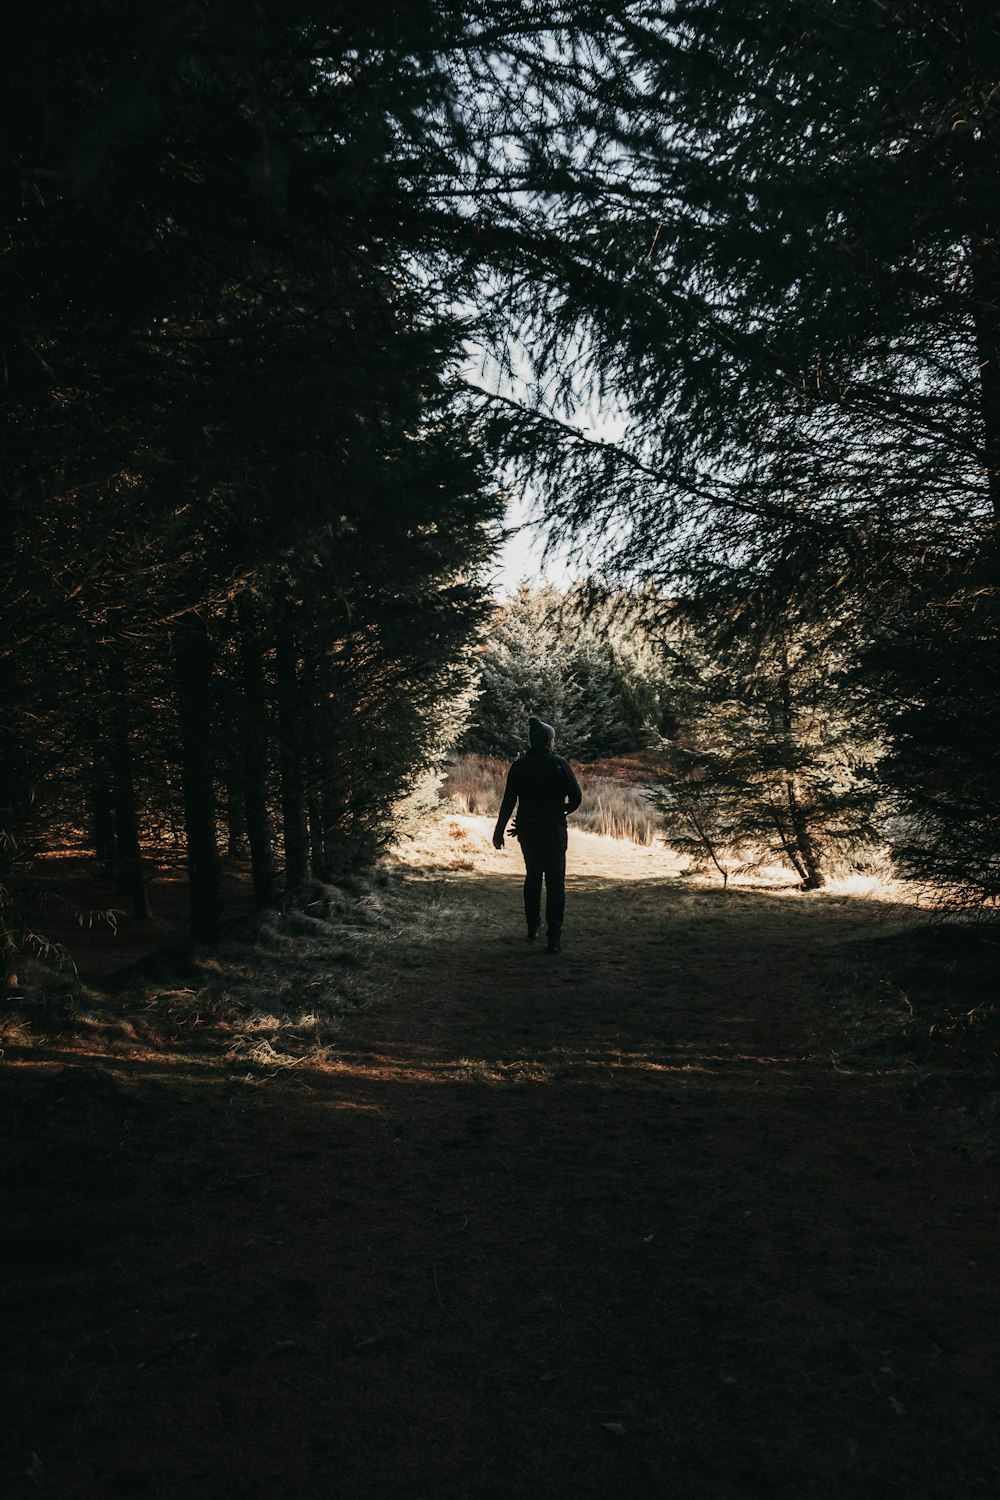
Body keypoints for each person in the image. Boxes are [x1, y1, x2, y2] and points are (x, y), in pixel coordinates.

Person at [492, 714, 583, 953]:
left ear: (532, 741)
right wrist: (561, 811)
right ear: (549, 741)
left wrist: (499, 831)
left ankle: (532, 926)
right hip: (554, 829)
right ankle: (554, 938)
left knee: (533, 877)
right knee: (555, 882)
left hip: (528, 831)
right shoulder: (559, 764)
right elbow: (576, 798)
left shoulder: (519, 767)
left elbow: (508, 801)